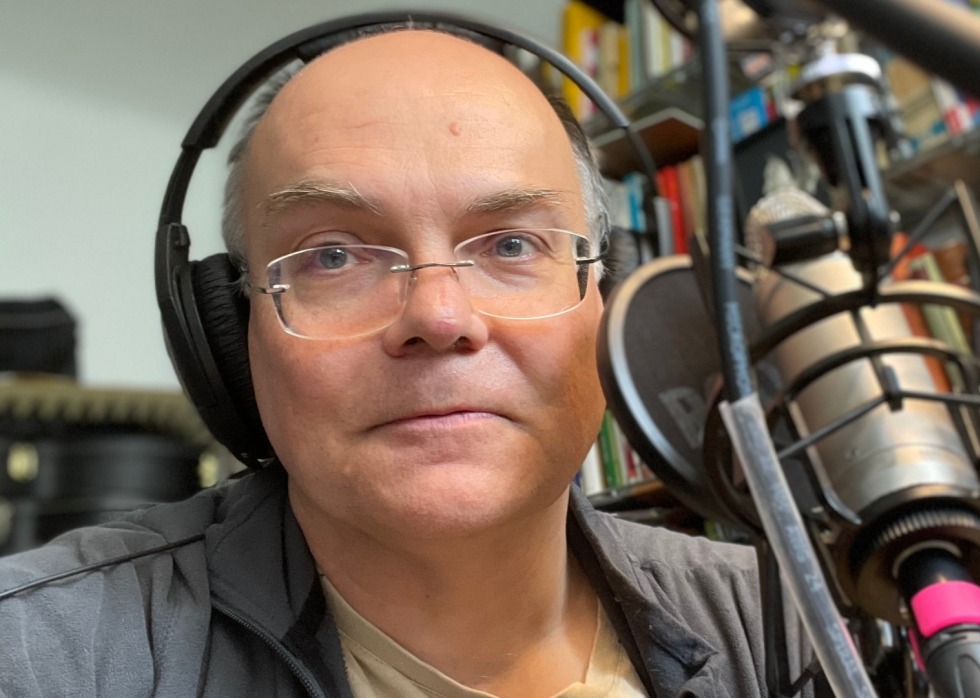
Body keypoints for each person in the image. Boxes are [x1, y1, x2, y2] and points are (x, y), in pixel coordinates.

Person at [0, 28, 811, 697]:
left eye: (511, 245)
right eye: (332, 256)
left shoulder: (798, 632)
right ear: (230, 330)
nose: (440, 317)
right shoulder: (40, 653)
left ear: (610, 297)